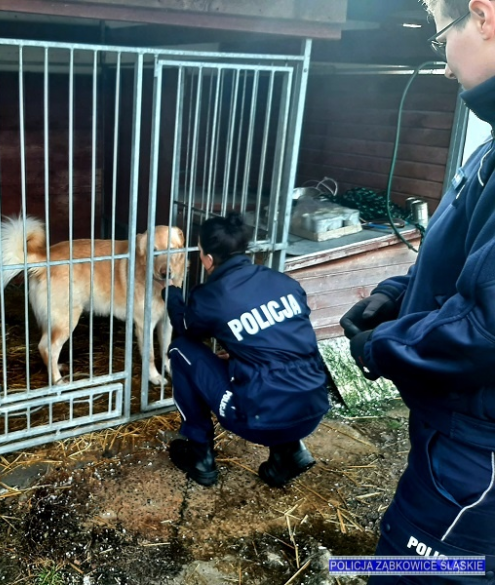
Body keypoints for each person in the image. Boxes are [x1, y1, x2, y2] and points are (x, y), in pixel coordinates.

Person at [339, 1, 495, 581]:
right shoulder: (490, 150)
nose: (448, 68)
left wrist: (380, 345)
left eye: (440, 38)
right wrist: (396, 293)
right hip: (455, 431)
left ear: (483, 16)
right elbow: (465, 266)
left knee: (409, 567)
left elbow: (487, 326)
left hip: (476, 452)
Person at [160, 212, 330, 488]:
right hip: (313, 410)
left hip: (257, 420)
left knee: (181, 351)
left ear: (209, 259)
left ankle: (200, 457)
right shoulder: (284, 283)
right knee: (274, 372)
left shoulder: (212, 296)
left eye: (200, 253)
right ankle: (288, 453)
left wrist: (173, 295)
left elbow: (187, 330)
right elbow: (281, 341)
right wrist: (240, 354)